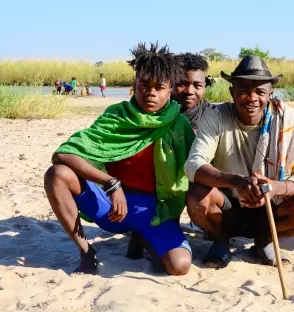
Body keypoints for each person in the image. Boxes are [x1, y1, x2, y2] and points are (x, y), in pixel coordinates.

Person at [43, 42, 195, 276]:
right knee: (57, 174)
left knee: (179, 266)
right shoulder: (117, 115)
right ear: (135, 85)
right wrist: (111, 184)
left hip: (155, 211)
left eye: (159, 87)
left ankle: (143, 237)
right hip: (111, 206)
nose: (151, 92)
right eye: (144, 85)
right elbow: (64, 153)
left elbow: (195, 168)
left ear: (170, 90)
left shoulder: (178, 123)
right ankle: (86, 252)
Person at [184, 55, 294, 268]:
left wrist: (275, 188)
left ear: (270, 94)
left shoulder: (285, 121)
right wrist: (237, 182)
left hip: (269, 207)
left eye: (260, 92)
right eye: (244, 91)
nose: (252, 98)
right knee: (196, 193)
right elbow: (194, 164)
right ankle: (221, 240)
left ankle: (264, 242)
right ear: (232, 92)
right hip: (228, 208)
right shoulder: (216, 116)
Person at [171, 53, 215, 132]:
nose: (189, 91)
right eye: (182, 84)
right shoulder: (157, 114)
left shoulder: (213, 114)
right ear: (171, 84)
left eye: (197, 85)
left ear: (204, 87)